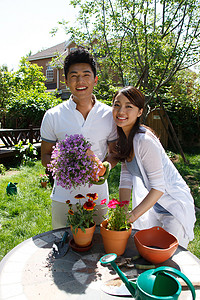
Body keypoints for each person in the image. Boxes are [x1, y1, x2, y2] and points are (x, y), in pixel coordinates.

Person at [40, 48, 118, 229]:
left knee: (98, 248)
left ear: (95, 79)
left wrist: (104, 167)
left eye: (86, 75)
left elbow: (114, 153)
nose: (80, 81)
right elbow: (45, 157)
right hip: (63, 197)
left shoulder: (109, 115)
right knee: (62, 246)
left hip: (98, 197)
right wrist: (67, 168)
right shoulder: (53, 116)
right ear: (66, 81)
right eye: (74, 76)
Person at [112, 86, 196, 248]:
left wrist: (131, 216)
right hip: (155, 208)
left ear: (139, 112)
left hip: (173, 209)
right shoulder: (123, 138)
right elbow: (126, 178)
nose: (121, 111)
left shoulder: (144, 141)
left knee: (168, 261)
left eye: (129, 106)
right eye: (117, 104)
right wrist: (122, 211)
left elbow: (158, 188)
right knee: (147, 255)